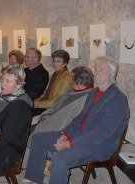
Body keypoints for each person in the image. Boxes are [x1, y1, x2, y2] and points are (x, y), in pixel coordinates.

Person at [23, 56, 130, 184]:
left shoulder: (117, 100)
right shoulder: (94, 93)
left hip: (98, 145)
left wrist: (70, 144)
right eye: (96, 69)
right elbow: (79, 119)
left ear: (112, 74)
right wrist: (65, 135)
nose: (96, 72)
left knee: (60, 158)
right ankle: (34, 179)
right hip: (78, 136)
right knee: (38, 138)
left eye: (101, 69)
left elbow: (102, 134)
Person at [22, 66, 94, 168]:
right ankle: (27, 163)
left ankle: (33, 165)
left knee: (34, 133)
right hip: (53, 118)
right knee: (26, 127)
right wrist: (48, 114)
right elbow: (56, 105)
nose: (71, 81)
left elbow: (71, 117)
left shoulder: (87, 96)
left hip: (62, 126)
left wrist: (51, 118)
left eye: (72, 79)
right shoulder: (73, 91)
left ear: (79, 80)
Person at [33, 49, 73, 116]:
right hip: (46, 105)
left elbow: (59, 100)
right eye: (54, 61)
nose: (54, 63)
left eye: (58, 61)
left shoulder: (67, 77)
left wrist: (39, 104)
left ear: (65, 64)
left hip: (54, 109)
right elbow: (46, 93)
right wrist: (38, 99)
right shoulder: (54, 74)